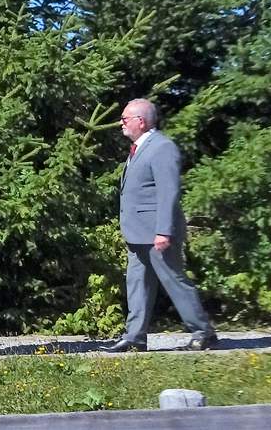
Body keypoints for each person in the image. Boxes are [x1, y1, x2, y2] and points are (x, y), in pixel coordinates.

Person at [105, 98, 217, 352]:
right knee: (137, 284)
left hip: (157, 232)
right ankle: (135, 336)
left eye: (125, 119)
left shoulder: (162, 147)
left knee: (174, 281)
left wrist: (163, 231)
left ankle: (203, 332)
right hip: (137, 232)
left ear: (141, 121)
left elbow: (169, 192)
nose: (121, 123)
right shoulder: (139, 148)